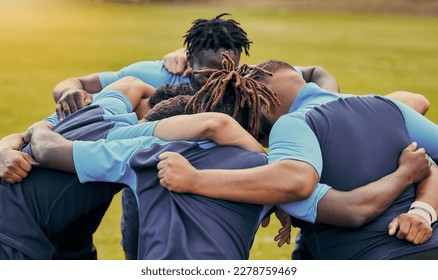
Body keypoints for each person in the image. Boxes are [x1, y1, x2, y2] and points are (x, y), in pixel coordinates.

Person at [23, 57, 432, 260]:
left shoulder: (145, 149)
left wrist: (31, 136)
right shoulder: (264, 172)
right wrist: (415, 190)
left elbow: (312, 191)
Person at [155, 59, 438, 259]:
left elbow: (296, 183)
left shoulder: (293, 123)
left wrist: (193, 179)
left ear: (264, 103)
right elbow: (422, 122)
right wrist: (421, 208)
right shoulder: (384, 104)